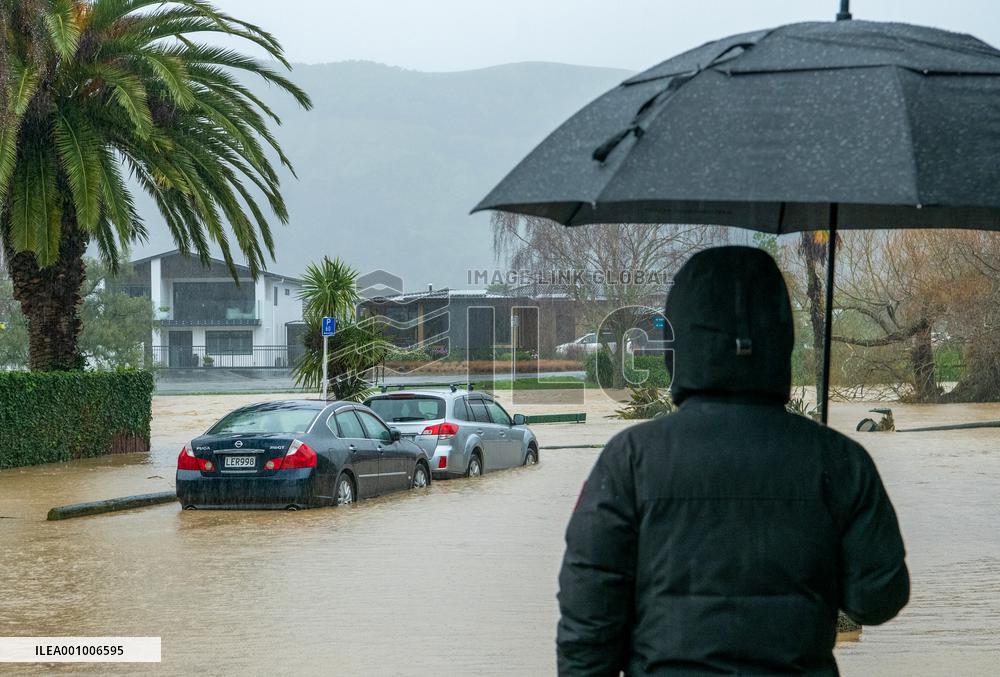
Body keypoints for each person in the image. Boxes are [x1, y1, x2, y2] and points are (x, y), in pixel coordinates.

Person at [557, 246, 909, 676]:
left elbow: (588, 624)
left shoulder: (628, 459)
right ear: (781, 338)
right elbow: (877, 599)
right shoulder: (840, 460)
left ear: (677, 342)